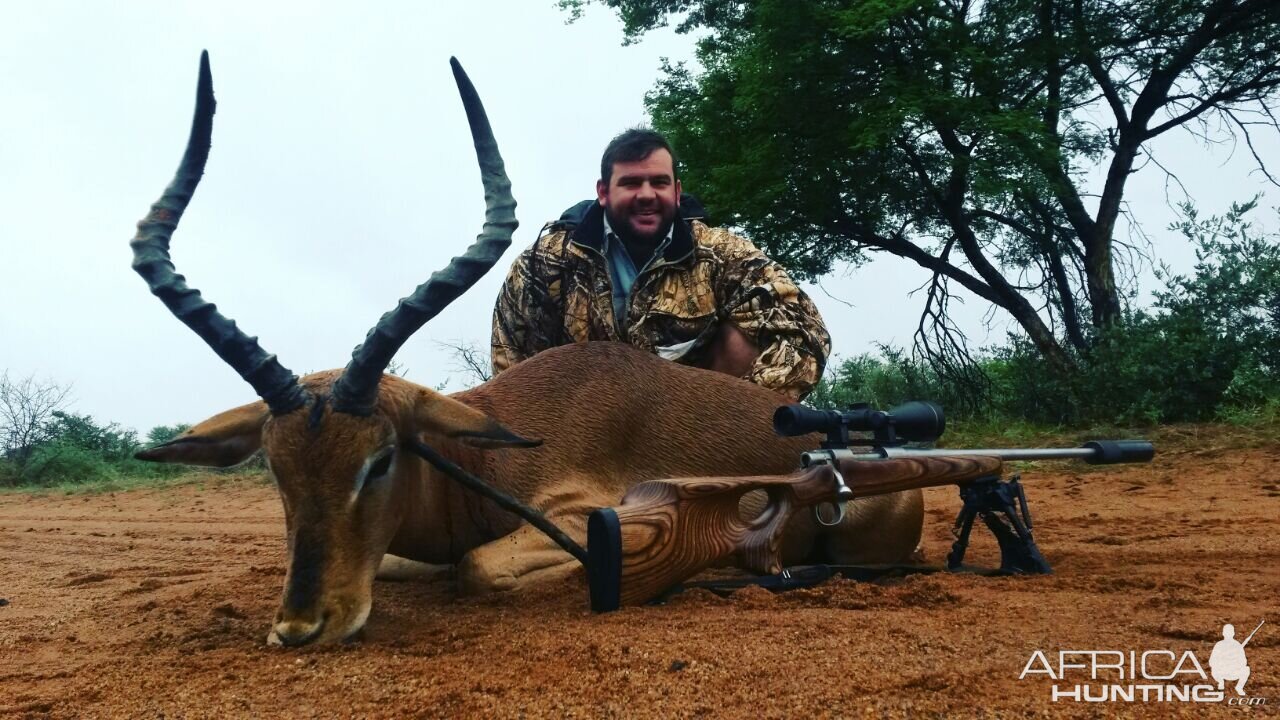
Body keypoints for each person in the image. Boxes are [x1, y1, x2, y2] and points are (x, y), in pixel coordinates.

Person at [490, 128, 831, 400]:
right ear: (603, 192)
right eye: (631, 183)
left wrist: (728, 422)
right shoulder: (542, 263)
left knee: (743, 338)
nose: (647, 194)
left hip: (696, 431)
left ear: (677, 191)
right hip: (582, 442)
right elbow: (510, 369)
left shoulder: (722, 252)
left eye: (659, 182)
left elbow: (805, 334)